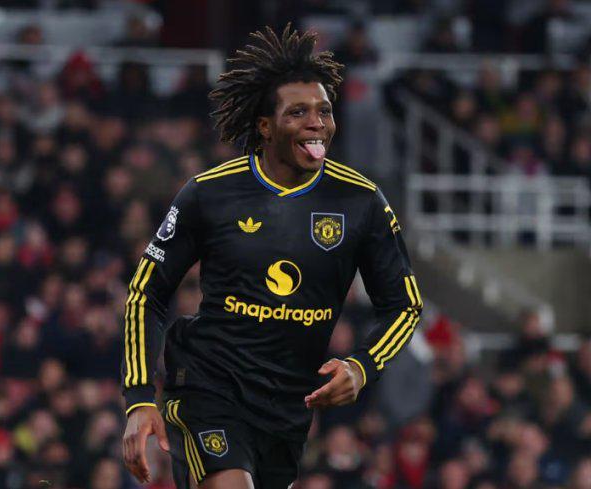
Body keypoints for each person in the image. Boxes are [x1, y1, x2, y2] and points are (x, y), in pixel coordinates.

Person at [121, 24, 423, 489]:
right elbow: (147, 293)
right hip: (208, 387)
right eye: (297, 112)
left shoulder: (360, 201)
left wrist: (361, 366)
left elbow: (404, 305)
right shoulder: (210, 193)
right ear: (264, 126)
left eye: (324, 110)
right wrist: (140, 398)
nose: (316, 122)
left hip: (288, 408)